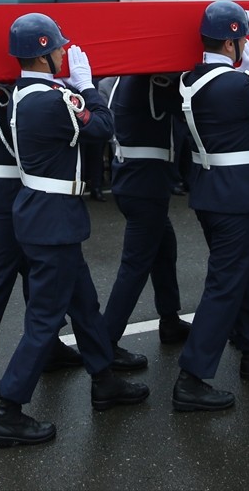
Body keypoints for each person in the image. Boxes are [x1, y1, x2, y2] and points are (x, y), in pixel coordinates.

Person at [0, 13, 148, 448]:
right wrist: (86, 86)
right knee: (45, 319)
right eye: (57, 47)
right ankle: (9, 410)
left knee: (84, 304)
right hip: (52, 218)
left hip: (46, 214)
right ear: (44, 53)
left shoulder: (26, 92)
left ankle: (104, 380)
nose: (64, 52)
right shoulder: (51, 98)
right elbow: (102, 127)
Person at [172, 1, 249, 411]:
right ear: (231, 43)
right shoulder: (241, 84)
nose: (246, 45)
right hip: (237, 196)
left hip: (209, 190)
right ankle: (192, 378)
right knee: (225, 283)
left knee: (240, 275)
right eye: (243, 39)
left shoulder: (188, 80)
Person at [0, 79, 84, 404]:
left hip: (5, 191)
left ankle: (49, 346)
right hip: (4, 193)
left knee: (33, 273)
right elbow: (19, 144)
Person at [101, 74, 190, 355]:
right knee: (135, 266)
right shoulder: (150, 82)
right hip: (145, 184)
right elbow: (189, 106)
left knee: (165, 250)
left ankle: (170, 319)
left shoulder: (125, 80)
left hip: (136, 181)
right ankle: (107, 341)